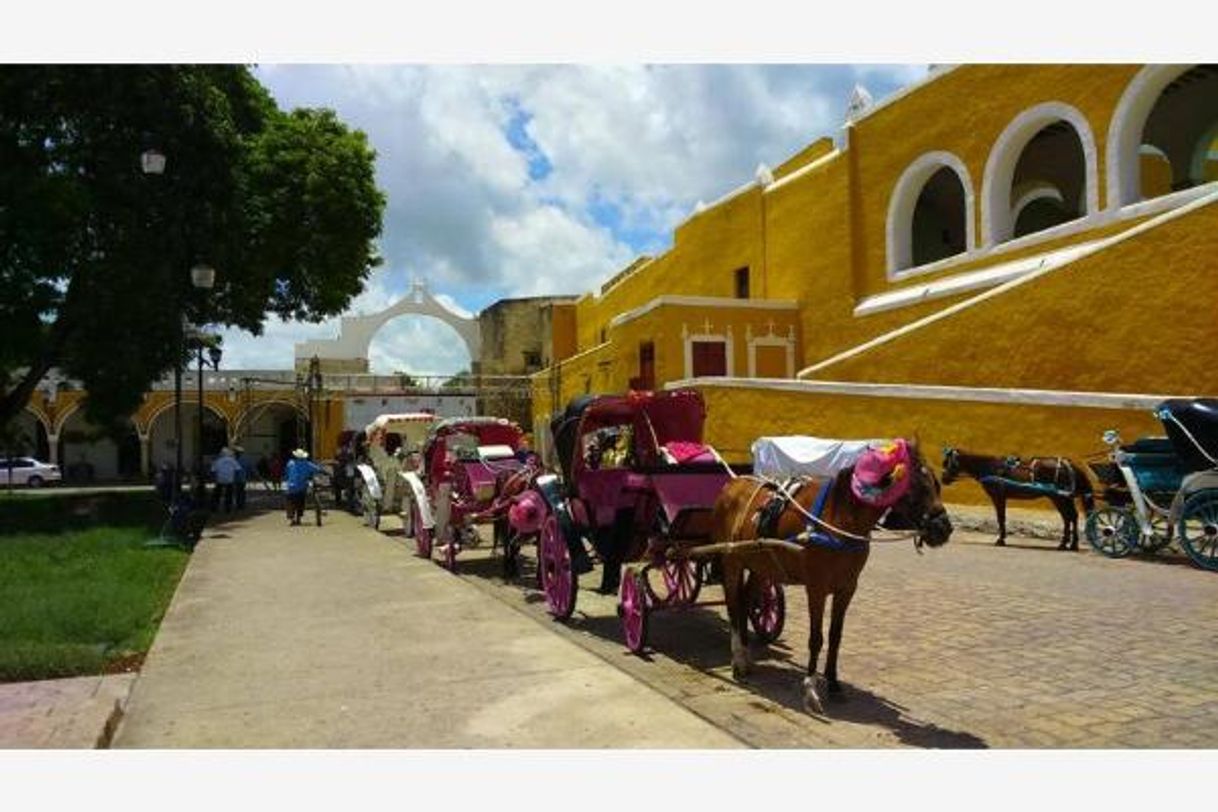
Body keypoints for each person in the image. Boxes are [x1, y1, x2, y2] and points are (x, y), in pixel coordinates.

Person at [284, 448, 323, 526]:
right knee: (300, 503)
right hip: (301, 488)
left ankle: (292, 519)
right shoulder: (307, 464)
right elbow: (318, 470)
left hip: (290, 488)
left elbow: (287, 474)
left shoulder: (290, 463)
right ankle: (298, 519)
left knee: (290, 503)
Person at [210, 447, 241, 513]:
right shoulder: (232, 460)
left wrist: (214, 479)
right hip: (230, 480)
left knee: (217, 494)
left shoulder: (217, 460)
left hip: (219, 480)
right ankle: (228, 508)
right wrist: (235, 478)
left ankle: (215, 507)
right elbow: (238, 470)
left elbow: (212, 471)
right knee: (229, 494)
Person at [233, 445, 253, 510]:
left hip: (237, 479)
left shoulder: (234, 460)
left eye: (236, 452)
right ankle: (241, 504)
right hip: (242, 479)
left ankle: (239, 504)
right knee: (241, 491)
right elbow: (250, 469)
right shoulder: (246, 459)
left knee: (238, 492)